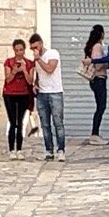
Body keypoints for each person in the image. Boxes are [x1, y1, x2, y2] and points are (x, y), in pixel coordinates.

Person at [30, 33, 67, 161]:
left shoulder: (52, 53)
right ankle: (48, 150)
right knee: (45, 124)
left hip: (55, 92)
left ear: (41, 44)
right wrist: (35, 84)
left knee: (58, 123)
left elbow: (50, 69)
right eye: (32, 48)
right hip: (42, 94)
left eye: (35, 47)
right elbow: (39, 75)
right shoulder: (36, 60)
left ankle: (61, 150)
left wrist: (38, 59)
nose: (34, 50)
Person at [0, 37, 34, 156]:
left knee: (19, 123)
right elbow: (8, 79)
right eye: (16, 50)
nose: (19, 53)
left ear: (24, 50)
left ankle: (19, 149)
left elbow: (30, 81)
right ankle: (11, 150)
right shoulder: (9, 62)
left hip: (23, 94)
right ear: (14, 51)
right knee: (12, 121)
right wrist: (14, 71)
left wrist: (24, 70)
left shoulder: (29, 63)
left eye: (21, 50)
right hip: (10, 94)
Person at [82, 23, 109, 138]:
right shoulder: (98, 46)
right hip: (99, 79)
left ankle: (95, 133)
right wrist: (107, 63)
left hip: (94, 80)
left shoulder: (91, 46)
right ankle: (95, 134)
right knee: (101, 106)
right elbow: (98, 65)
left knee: (100, 106)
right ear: (101, 34)